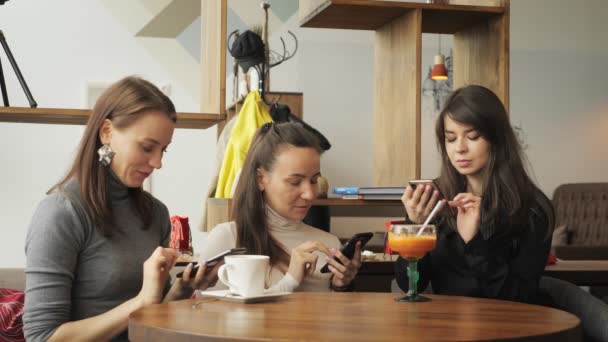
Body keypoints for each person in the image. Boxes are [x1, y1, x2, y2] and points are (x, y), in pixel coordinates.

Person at [23, 76, 218, 342]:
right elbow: (42, 337)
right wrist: (139, 302)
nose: (158, 162)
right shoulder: (61, 212)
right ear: (106, 132)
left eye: (164, 150)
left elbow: (154, 313)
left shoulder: (156, 213)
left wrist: (183, 287)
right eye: (147, 147)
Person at [397, 85, 554, 303]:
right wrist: (414, 226)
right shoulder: (434, 198)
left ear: (497, 139)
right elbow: (411, 285)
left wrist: (476, 243)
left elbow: (521, 297)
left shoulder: (534, 208)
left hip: (510, 327)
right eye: (450, 139)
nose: (459, 148)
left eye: (472, 136)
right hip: (445, 326)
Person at [201, 122, 361, 293]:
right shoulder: (228, 238)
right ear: (260, 179)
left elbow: (332, 317)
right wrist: (291, 280)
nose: (309, 194)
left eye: (314, 180)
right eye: (295, 182)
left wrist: (341, 285)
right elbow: (205, 312)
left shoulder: (329, 243)